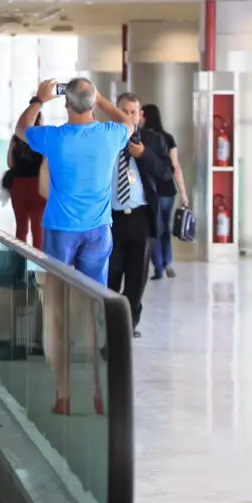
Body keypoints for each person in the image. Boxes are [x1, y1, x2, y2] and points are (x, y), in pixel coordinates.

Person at [18, 78, 137, 285]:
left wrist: (39, 100)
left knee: (55, 289)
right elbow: (129, 124)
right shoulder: (110, 135)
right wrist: (100, 99)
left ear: (66, 104)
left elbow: (22, 129)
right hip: (98, 228)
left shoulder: (54, 137)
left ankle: (57, 319)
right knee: (94, 292)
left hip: (61, 227)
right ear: (92, 104)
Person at [105, 95, 152, 337]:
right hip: (111, 219)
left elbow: (165, 175)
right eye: (123, 111)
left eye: (133, 112)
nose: (129, 117)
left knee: (137, 277)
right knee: (112, 273)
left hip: (139, 218)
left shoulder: (150, 141)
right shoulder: (106, 142)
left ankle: (129, 324)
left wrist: (143, 154)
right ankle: (111, 324)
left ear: (140, 116)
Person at [140, 103, 190, 280]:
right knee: (165, 227)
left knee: (154, 228)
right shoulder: (168, 138)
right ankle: (168, 261)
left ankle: (159, 266)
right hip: (168, 189)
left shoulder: (141, 137)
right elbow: (175, 166)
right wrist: (183, 193)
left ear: (143, 116)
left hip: (150, 190)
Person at [0, 129, 47, 247]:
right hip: (38, 185)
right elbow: (46, 165)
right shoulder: (42, 138)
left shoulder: (16, 138)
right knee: (38, 228)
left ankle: (19, 261)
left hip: (18, 186)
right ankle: (38, 263)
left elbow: (10, 163)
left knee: (21, 228)